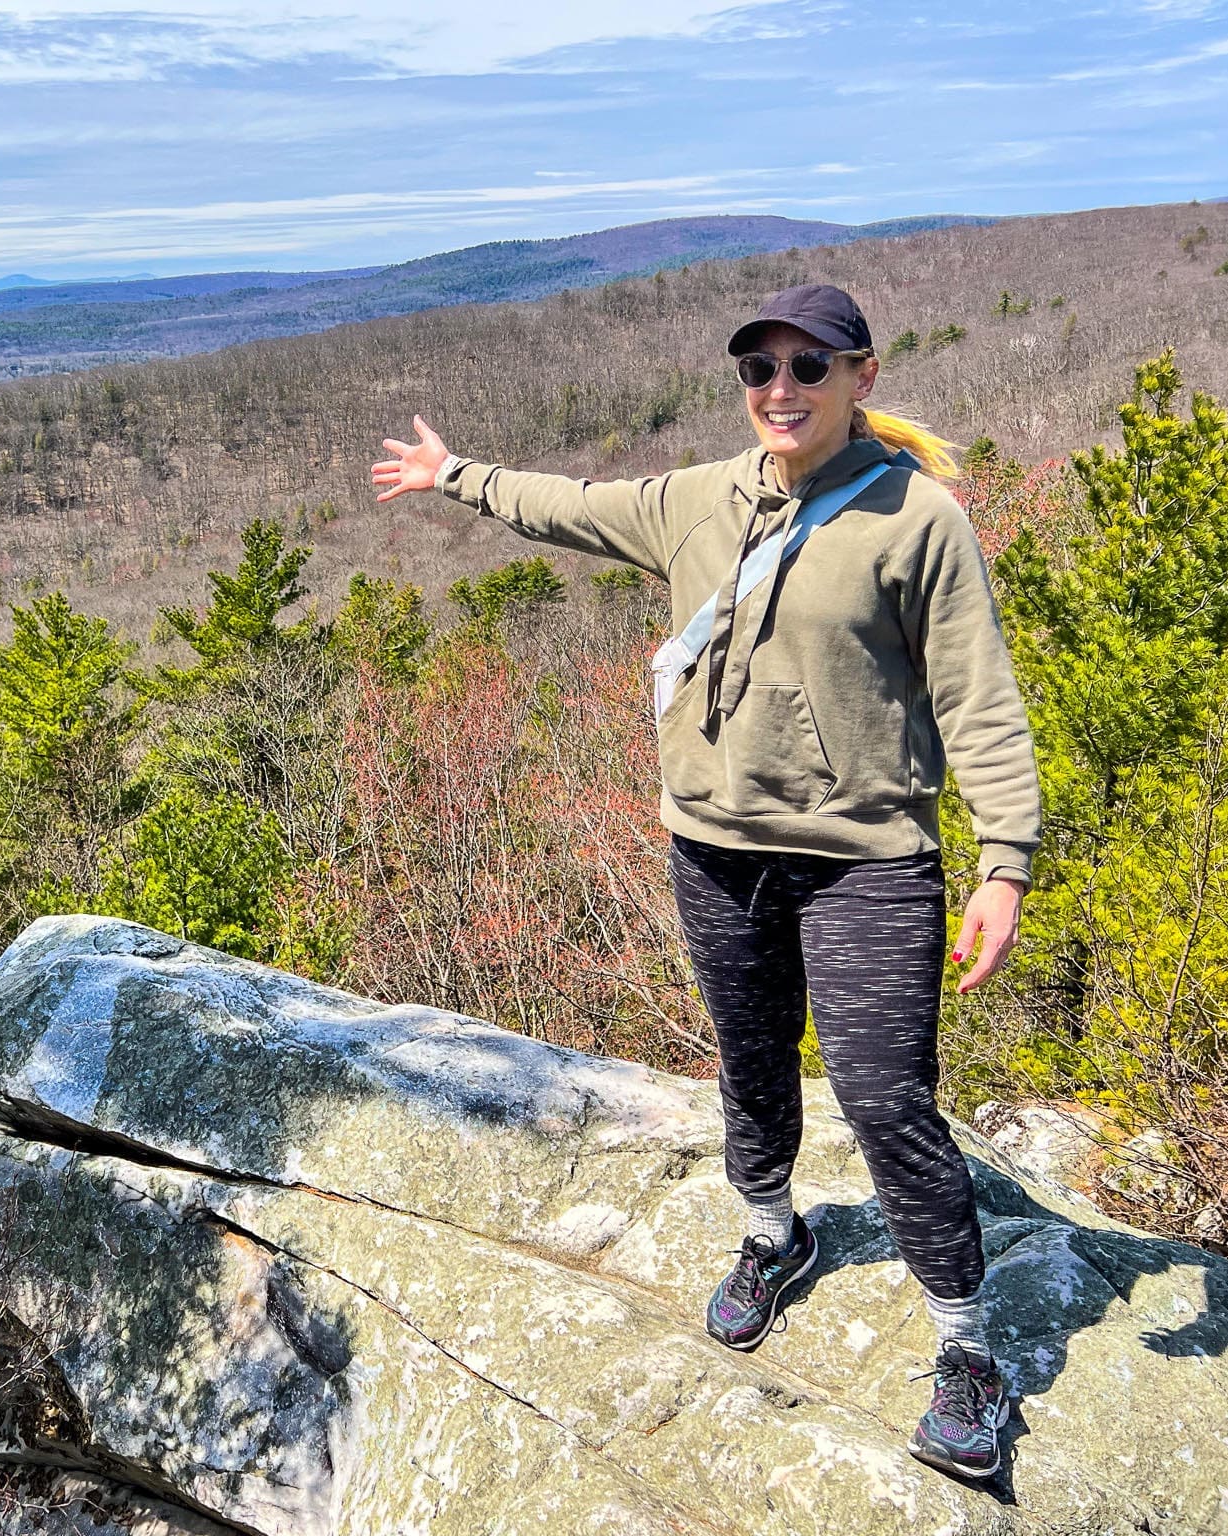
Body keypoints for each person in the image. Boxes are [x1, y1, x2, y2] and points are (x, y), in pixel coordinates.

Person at [372, 283, 1041, 1482]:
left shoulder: (915, 519)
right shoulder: (698, 500)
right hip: (711, 843)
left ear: (860, 377)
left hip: (865, 860)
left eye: (806, 366)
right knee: (747, 1054)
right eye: (757, 370)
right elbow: (570, 507)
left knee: (886, 1099)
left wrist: (1003, 863)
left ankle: (965, 1349)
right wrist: (453, 474)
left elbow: (976, 700)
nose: (778, 388)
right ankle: (770, 1235)